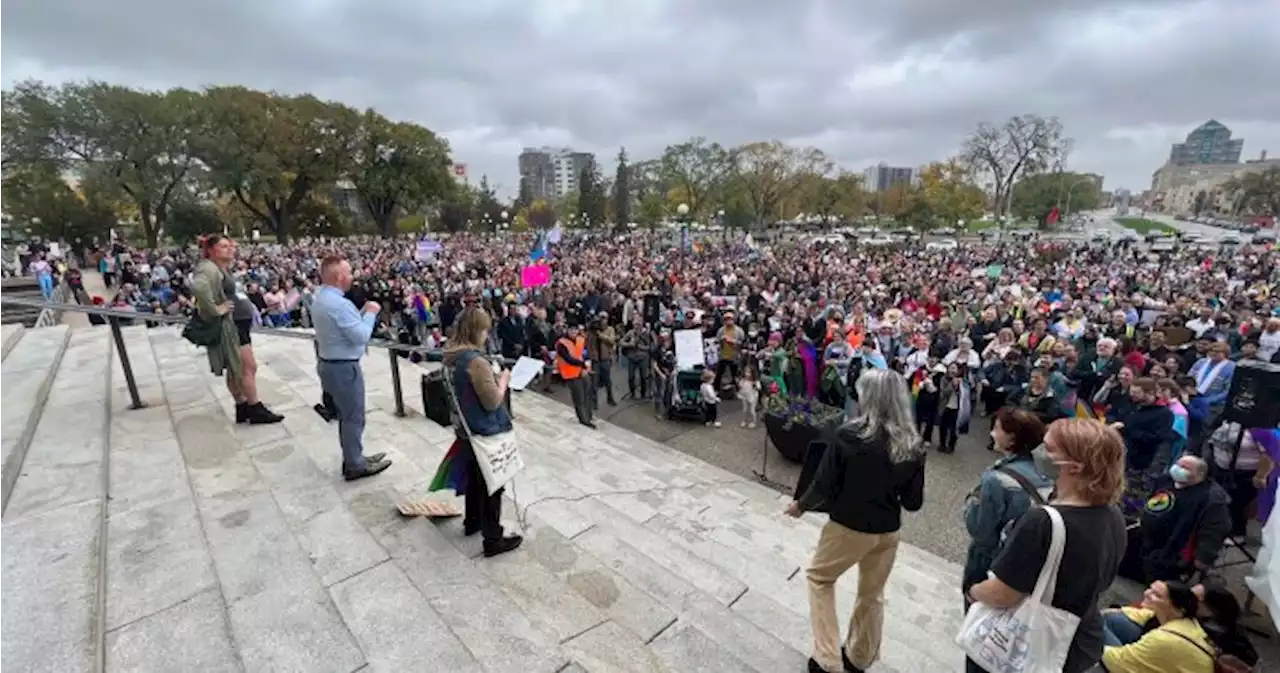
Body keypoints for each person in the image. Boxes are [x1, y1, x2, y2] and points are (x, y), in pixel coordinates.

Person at [785, 369, 926, 673]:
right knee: (872, 594)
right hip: (888, 530)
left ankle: (827, 659)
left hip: (849, 526)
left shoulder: (850, 435)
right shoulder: (913, 443)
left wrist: (800, 506)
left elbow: (823, 484)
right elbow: (913, 503)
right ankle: (859, 657)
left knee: (820, 579)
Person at [967, 418, 1127, 673]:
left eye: (1050, 449)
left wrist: (972, 591)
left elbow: (1003, 593)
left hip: (1024, 647)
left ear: (1074, 466)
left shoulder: (1043, 521)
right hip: (1078, 642)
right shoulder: (1113, 515)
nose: (1040, 453)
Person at [961, 409, 1052, 656]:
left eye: (997, 428)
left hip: (989, 560)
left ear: (1012, 438)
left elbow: (981, 531)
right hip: (1023, 564)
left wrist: (969, 506)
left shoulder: (996, 479)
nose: (992, 432)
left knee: (978, 630)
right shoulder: (1045, 475)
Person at [443, 307, 523, 558]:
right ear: (477, 330)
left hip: (466, 428)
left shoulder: (451, 354)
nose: (487, 335)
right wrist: (503, 381)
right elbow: (492, 401)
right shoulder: (475, 361)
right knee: (492, 483)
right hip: (483, 430)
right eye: (486, 329)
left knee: (476, 478)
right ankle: (493, 537)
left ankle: (473, 521)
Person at [310, 254, 391, 480]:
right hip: (343, 368)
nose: (352, 277)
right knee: (353, 417)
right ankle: (354, 464)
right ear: (338, 276)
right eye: (349, 272)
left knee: (348, 416)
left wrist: (361, 313)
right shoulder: (338, 304)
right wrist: (372, 314)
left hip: (329, 362)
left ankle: (355, 456)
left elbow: (345, 327)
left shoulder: (321, 297)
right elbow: (361, 336)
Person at [190, 235, 283, 425]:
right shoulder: (208, 268)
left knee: (235, 369)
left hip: (239, 323)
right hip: (232, 325)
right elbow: (199, 288)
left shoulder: (220, 269)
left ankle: (242, 407)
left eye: (230, 246)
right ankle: (255, 408)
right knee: (248, 367)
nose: (230, 249)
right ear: (211, 250)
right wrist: (217, 309)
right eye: (224, 246)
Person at [1099, 580, 1217, 673]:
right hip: (1165, 656)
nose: (1146, 593)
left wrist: (1091, 641)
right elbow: (1140, 615)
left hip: (1131, 661)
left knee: (1094, 628)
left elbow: (1119, 663)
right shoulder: (1186, 621)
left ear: (1179, 609)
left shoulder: (1165, 638)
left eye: (1157, 595)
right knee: (1110, 620)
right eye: (1150, 589)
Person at [556, 324, 595, 428]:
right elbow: (567, 359)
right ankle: (584, 420)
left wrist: (586, 367)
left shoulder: (581, 339)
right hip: (571, 374)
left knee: (587, 394)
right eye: (571, 330)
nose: (574, 332)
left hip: (582, 372)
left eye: (575, 330)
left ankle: (589, 416)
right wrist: (582, 364)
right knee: (579, 397)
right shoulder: (562, 343)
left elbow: (585, 353)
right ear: (567, 330)